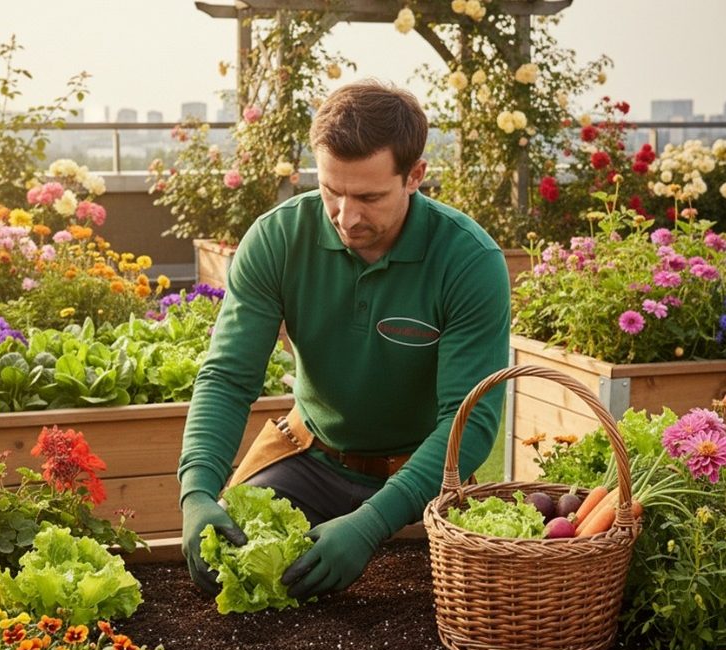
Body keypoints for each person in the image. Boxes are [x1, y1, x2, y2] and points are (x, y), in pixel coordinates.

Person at [178, 79, 510, 601]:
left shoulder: (468, 260)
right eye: (331, 190)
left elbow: (469, 421)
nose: (346, 217)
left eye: (369, 197)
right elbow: (228, 378)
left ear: (415, 176)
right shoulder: (278, 238)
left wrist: (373, 522)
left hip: (423, 476)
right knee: (231, 570)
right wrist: (196, 491)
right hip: (309, 460)